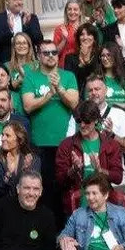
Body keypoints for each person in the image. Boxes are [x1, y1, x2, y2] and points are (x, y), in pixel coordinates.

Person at [54, 101, 125, 215]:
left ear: (96, 120)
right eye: (79, 121)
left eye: (87, 121)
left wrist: (100, 170)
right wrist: (74, 169)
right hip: (77, 207)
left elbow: (118, 177)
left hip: (103, 206)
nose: (82, 125)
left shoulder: (111, 144)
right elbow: (59, 179)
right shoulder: (66, 145)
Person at [23, 39, 80, 177]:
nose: (50, 55)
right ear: (39, 56)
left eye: (54, 52)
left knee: (64, 183)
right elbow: (28, 106)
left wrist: (59, 88)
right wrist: (49, 95)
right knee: (42, 184)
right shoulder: (30, 77)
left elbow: (74, 103)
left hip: (65, 141)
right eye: (46, 53)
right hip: (39, 142)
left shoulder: (68, 76)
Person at [0, 117, 34, 218]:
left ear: (19, 140)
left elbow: (34, 191)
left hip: (24, 213)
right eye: (2, 135)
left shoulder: (32, 160)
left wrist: (25, 170)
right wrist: (8, 174)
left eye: (7, 135)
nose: (3, 138)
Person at [0, 0, 42, 68]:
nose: (19, 2)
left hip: (28, 64)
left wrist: (27, 25)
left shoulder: (31, 17)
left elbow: (39, 40)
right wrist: (9, 29)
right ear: (7, 1)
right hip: (5, 64)